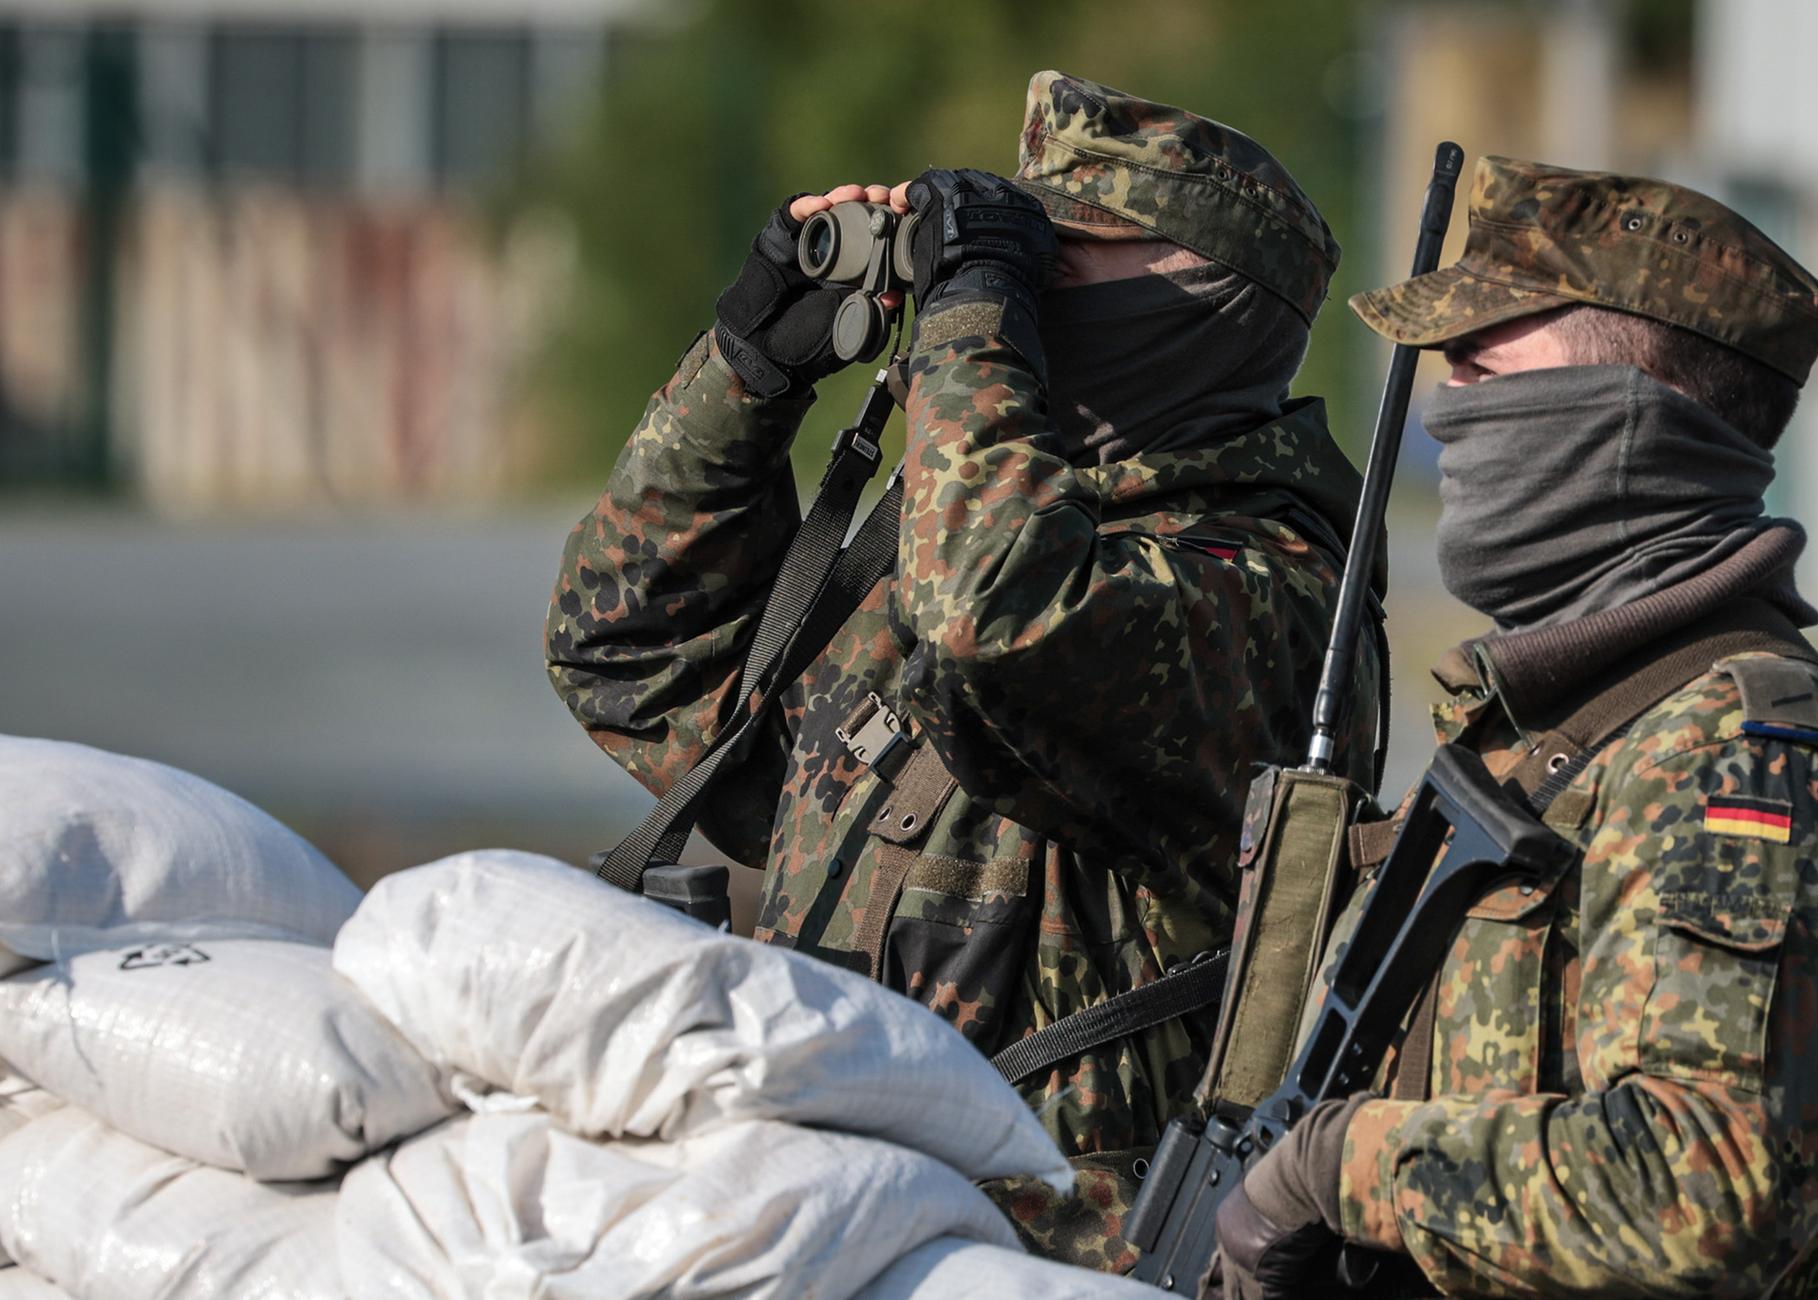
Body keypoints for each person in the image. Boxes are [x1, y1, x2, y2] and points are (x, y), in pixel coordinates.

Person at [546, 71, 1381, 1266]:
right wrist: (747, 374)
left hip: (1053, 1258)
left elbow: (999, 613)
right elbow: (622, 653)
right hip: (843, 1221)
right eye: (1016, 255)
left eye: (1063, 255)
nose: (1025, 293)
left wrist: (971, 315)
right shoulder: (967, 529)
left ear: (1201, 301)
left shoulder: (1264, 589)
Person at [1209, 157, 1818, 1300]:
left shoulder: (1739, 759)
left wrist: (1334, 1165)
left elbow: (1700, 1189)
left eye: (1482, 347)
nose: (1447, 396)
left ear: (1628, 407)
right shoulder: (1548, 732)